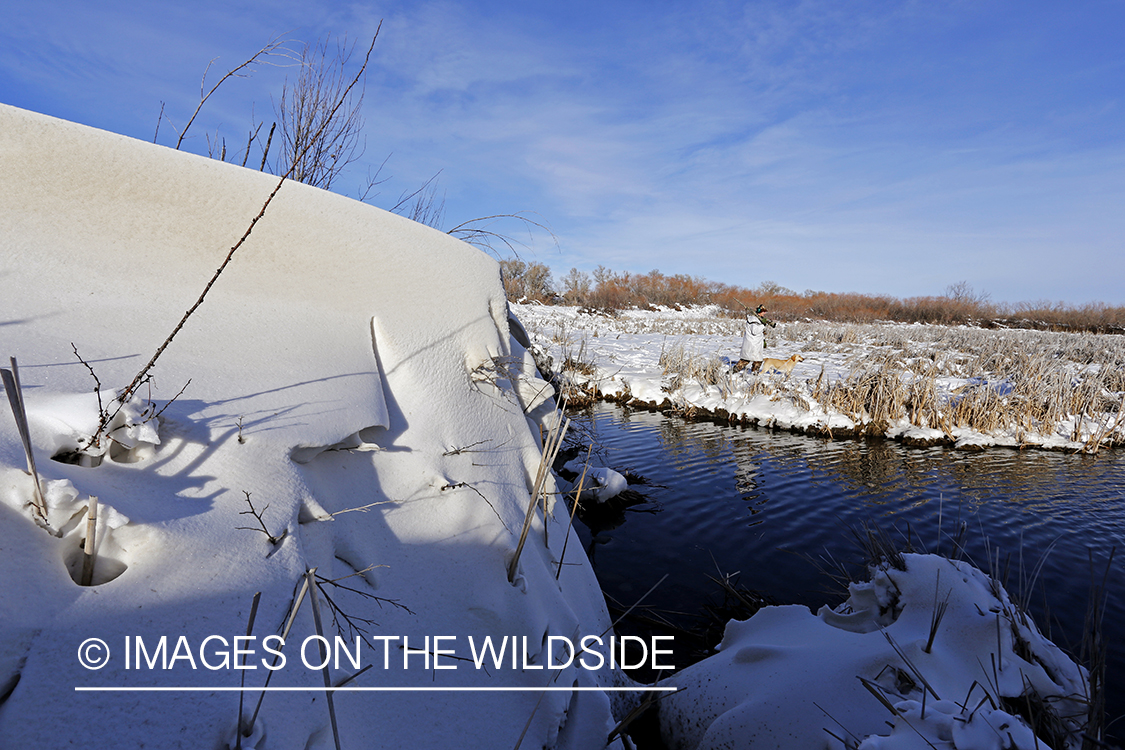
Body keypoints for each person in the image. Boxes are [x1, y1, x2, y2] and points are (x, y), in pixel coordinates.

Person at [733, 304, 776, 373]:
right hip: (752, 345)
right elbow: (755, 331)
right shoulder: (754, 320)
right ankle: (753, 374)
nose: (765, 313)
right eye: (763, 311)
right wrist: (763, 325)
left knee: (749, 360)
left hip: (753, 344)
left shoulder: (755, 319)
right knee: (752, 360)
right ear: (759, 311)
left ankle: (735, 372)